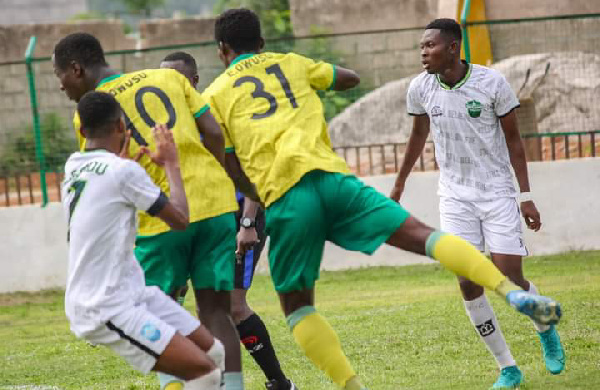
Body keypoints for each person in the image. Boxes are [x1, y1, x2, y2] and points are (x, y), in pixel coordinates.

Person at [204, 9, 562, 390]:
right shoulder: (290, 63)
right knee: (426, 237)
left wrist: (255, 194)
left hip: (287, 200)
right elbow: (349, 78)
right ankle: (509, 319)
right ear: (262, 43)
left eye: (430, 44)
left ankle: (353, 386)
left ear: (222, 50)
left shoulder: (215, 94)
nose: (423, 51)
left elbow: (227, 162)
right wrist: (313, 78)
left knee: (298, 308)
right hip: (337, 182)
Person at [53, 33, 244, 390]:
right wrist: (210, 175)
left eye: (59, 75)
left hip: (158, 221)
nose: (61, 85)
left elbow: (106, 178)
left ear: (76, 70)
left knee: (166, 332)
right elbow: (214, 133)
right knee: (217, 314)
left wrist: (166, 169)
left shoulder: (90, 120)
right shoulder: (170, 77)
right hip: (215, 204)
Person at [390, 18, 565, 389]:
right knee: (468, 281)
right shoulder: (420, 88)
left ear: (453, 47)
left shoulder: (492, 83)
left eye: (430, 46)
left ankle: (543, 324)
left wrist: (526, 197)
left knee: (508, 277)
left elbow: (515, 141)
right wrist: (399, 183)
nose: (423, 52)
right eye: (421, 46)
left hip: (497, 191)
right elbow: (418, 135)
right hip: (454, 195)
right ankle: (507, 368)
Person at [160, 51, 297, 390]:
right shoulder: (167, 125)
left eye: (175, 79)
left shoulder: (215, 113)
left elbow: (254, 169)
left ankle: (279, 383)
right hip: (201, 221)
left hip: (238, 218)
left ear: (192, 82)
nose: (168, 86)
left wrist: (247, 224)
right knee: (182, 304)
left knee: (234, 306)